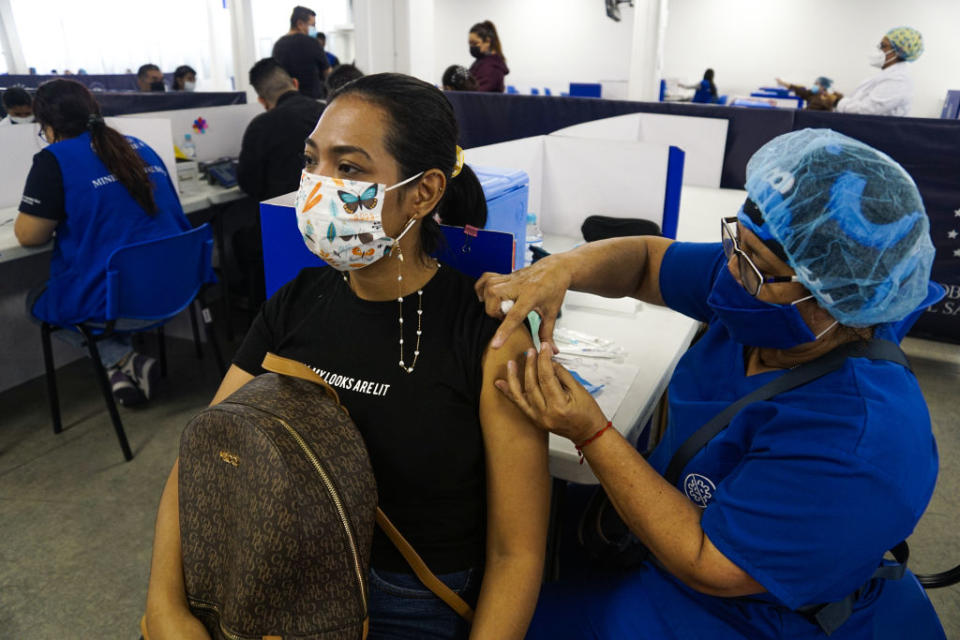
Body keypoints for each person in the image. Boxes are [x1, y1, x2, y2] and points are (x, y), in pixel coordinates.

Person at [476, 128, 941, 639]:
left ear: (839, 299)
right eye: (735, 246)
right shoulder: (755, 285)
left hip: (748, 610)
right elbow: (646, 263)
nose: (733, 275)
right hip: (668, 538)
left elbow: (709, 563)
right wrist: (559, 269)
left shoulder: (858, 439)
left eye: (758, 270)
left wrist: (591, 432)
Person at [144, 73, 550, 640]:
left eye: (350, 168)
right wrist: (164, 606)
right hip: (275, 581)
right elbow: (203, 455)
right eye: (313, 162)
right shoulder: (295, 303)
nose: (318, 185)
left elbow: (516, 553)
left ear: (424, 192)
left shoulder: (489, 335)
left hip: (408, 602)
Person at [14, 80, 190, 405]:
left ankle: (121, 359)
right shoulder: (136, 145)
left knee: (36, 301)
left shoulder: (55, 159)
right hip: (179, 289)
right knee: (108, 279)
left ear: (47, 126)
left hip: (122, 301)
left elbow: (29, 236)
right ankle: (120, 371)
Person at [228, 57, 326, 305]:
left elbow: (249, 185)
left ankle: (255, 311)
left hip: (282, 229)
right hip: (333, 224)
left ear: (262, 101)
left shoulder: (261, 126)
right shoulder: (328, 113)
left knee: (240, 238)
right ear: (294, 83)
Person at [836, 27, 923, 117]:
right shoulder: (888, 74)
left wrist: (838, 102)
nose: (879, 49)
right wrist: (842, 100)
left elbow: (867, 110)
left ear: (898, 52)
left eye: (883, 46)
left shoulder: (898, 79)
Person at [272, 5, 329, 99]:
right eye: (312, 25)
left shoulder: (278, 45)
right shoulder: (312, 42)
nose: (314, 29)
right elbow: (327, 72)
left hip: (288, 101)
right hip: (314, 101)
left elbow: (276, 76)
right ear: (300, 24)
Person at [468, 21, 509, 93]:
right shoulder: (480, 62)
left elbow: (476, 94)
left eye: (475, 43)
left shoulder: (492, 67)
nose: (472, 47)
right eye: (470, 43)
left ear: (487, 41)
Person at [776, 75, 842, 111]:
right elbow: (799, 90)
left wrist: (827, 97)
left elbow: (837, 102)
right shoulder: (812, 94)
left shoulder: (830, 97)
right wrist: (782, 83)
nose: (814, 85)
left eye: (816, 84)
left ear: (823, 86)